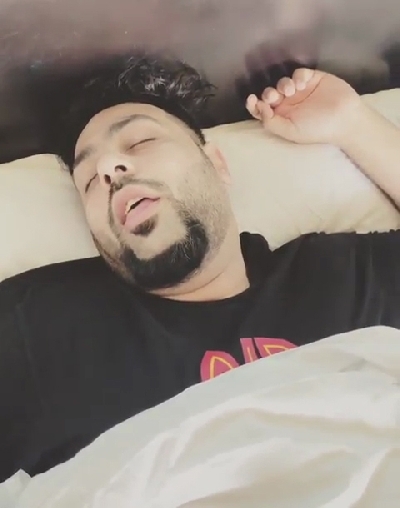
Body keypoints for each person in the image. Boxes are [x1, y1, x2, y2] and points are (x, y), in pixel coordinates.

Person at [1, 52, 400, 483]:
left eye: (139, 142)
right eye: (89, 181)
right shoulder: (38, 327)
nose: (108, 170)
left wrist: (354, 123)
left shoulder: (338, 279)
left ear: (217, 164)